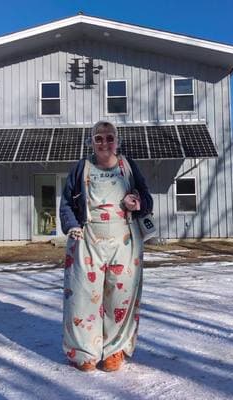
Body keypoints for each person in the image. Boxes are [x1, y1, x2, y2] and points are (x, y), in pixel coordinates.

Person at [60, 120, 153, 372]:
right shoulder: (82, 168)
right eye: (98, 138)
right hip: (87, 238)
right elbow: (67, 202)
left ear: (117, 141)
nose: (104, 143)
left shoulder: (128, 166)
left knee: (120, 297)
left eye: (109, 137)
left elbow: (147, 198)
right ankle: (84, 353)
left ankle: (115, 350)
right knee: (82, 297)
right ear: (91, 142)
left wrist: (137, 203)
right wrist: (71, 225)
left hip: (124, 239)